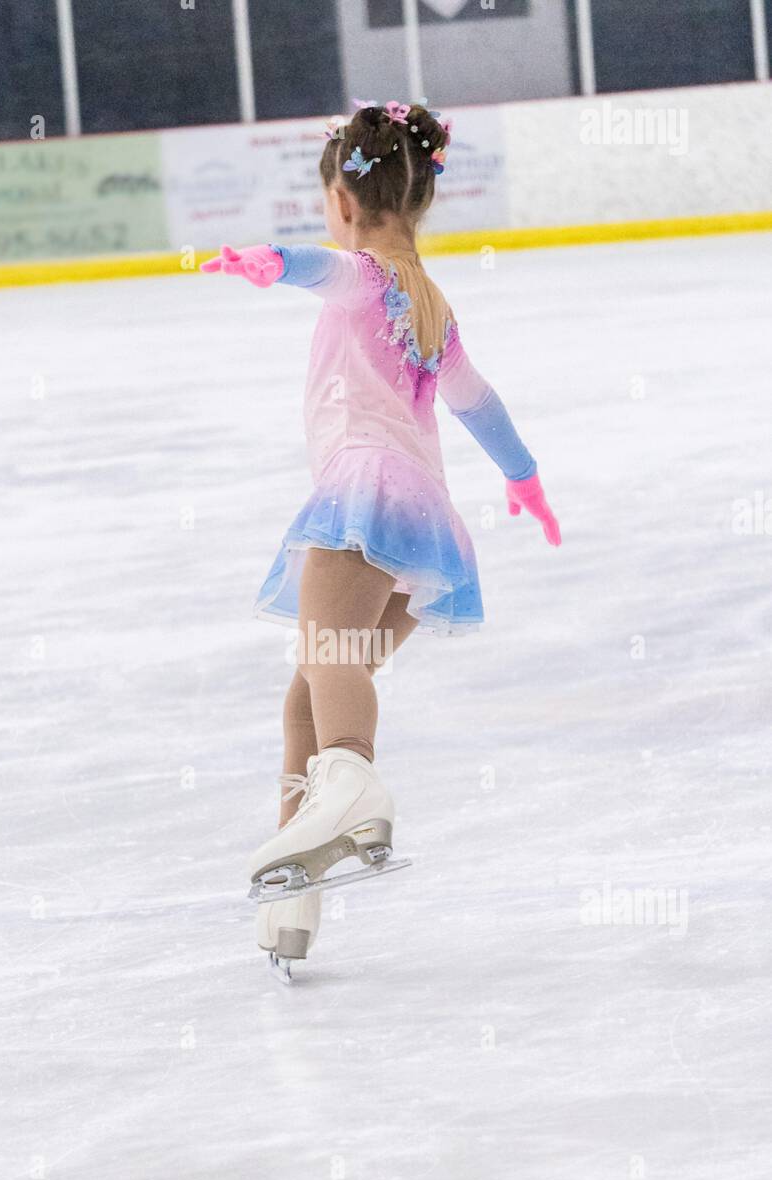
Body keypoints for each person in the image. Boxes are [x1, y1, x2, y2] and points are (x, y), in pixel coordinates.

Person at [202, 100, 560, 968]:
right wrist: (524, 479)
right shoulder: (432, 304)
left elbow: (316, 271)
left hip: (365, 498)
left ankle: (353, 782)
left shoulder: (362, 276)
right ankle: (298, 885)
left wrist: (266, 261)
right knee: (312, 689)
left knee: (329, 659)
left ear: (345, 201)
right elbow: (480, 404)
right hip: (426, 525)